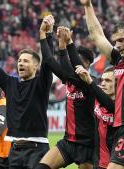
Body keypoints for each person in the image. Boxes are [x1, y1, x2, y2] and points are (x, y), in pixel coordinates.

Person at [81, 0, 124, 168]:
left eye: (121, 40)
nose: (117, 45)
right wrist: (88, 6)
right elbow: (96, 34)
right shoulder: (119, 60)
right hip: (121, 129)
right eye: (115, 41)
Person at [0, 16, 53, 168]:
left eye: (26, 61)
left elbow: (48, 62)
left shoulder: (41, 83)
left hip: (37, 150)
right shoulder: (10, 84)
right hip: (15, 150)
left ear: (36, 66)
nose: (21, 63)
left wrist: (46, 36)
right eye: (19, 61)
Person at [36, 26, 95, 169]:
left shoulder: (91, 83)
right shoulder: (68, 78)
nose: (71, 63)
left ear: (86, 64)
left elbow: (69, 74)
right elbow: (49, 60)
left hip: (87, 144)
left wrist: (63, 46)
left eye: (76, 60)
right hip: (68, 141)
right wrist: (43, 35)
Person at [75, 65, 115, 169]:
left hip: (118, 163)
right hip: (99, 163)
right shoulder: (96, 100)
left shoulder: (123, 105)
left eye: (108, 80)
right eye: (102, 80)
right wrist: (67, 48)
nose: (103, 83)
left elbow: (110, 106)